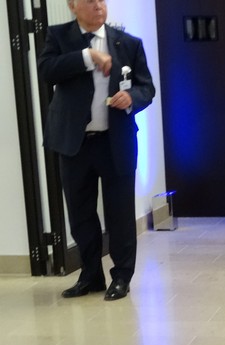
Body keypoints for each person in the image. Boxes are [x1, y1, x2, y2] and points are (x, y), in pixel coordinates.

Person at [38, 0, 155, 301]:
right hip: (74, 142)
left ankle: (121, 277)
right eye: (89, 1)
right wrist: (86, 57)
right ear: (72, 6)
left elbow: (147, 88)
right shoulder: (59, 36)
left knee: (120, 213)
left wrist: (131, 97)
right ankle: (90, 274)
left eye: (101, 0)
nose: (97, 6)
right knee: (80, 214)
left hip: (115, 140)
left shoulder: (128, 43)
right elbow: (47, 70)